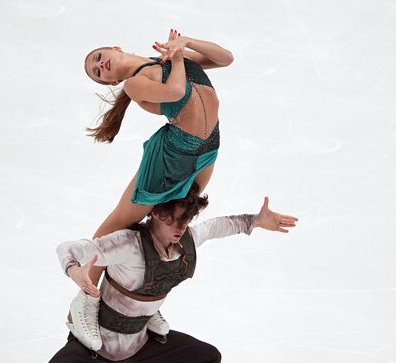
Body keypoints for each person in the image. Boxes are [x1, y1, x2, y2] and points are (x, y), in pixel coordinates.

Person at [73, 30, 235, 350]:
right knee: (120, 223)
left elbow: (224, 58)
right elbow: (175, 92)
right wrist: (176, 55)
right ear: (108, 82)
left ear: (114, 46)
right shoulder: (135, 83)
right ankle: (86, 300)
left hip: (207, 148)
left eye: (97, 58)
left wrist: (185, 43)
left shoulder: (171, 58)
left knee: (171, 226)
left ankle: (143, 307)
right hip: (174, 153)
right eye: (97, 72)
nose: (100, 65)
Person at [50, 184, 298, 362]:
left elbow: (218, 226)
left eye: (187, 220)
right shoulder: (128, 244)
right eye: (175, 220)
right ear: (157, 213)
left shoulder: (186, 240)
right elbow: (68, 248)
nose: (181, 228)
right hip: (97, 349)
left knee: (207, 357)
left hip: (141, 346)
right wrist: (75, 271)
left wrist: (255, 220)